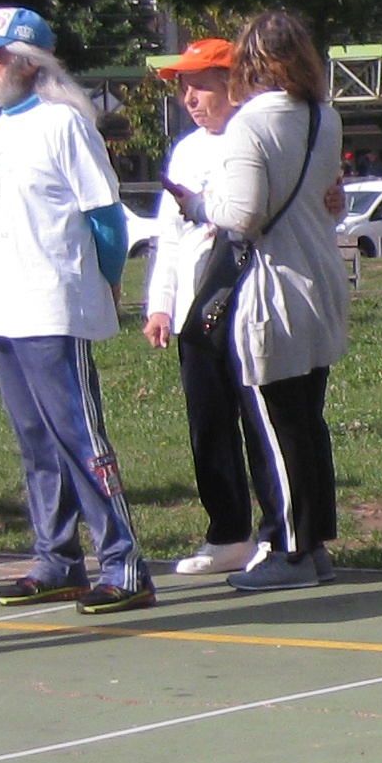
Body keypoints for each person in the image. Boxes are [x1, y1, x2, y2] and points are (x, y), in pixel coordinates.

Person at [0, 8, 153, 614]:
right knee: (35, 440)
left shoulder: (64, 124)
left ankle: (123, 562)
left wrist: (111, 281)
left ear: (25, 60)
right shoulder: (3, 127)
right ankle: (56, 557)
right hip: (6, 308)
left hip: (52, 305)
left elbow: (104, 216)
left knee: (78, 435)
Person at [204, 10, 353, 593]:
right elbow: (324, 197)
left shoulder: (249, 126)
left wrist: (201, 205)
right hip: (320, 278)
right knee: (306, 419)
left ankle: (290, 549)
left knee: (274, 423)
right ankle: (313, 542)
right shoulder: (324, 117)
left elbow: (242, 214)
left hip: (272, 287)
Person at [142, 38, 258, 575]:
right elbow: (170, 237)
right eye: (183, 88)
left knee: (259, 418)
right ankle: (228, 532)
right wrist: (161, 305)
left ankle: (281, 534)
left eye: (201, 86)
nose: (190, 98)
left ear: (233, 84)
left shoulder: (256, 136)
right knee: (208, 422)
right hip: (195, 308)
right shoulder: (186, 151)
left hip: (249, 299)